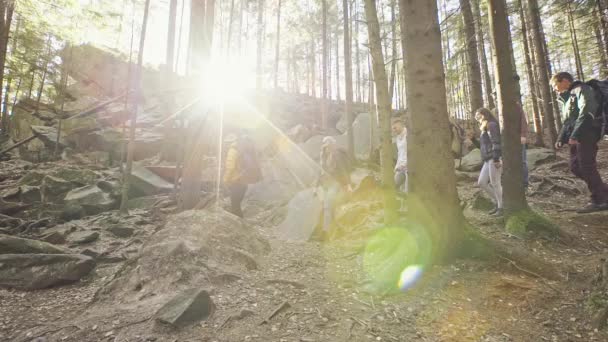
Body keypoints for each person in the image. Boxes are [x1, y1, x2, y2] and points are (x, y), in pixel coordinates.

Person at [552, 72, 608, 213]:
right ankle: (603, 192)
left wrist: (577, 134)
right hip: (575, 136)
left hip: (587, 132)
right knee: (575, 167)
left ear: (564, 81)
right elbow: (568, 122)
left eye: (555, 85)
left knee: (586, 165)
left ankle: (599, 200)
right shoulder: (567, 98)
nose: (554, 89)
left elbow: (587, 112)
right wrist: (560, 138)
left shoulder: (582, 89)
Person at [314, 136, 352, 234]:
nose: (327, 147)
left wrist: (347, 184)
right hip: (325, 184)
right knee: (330, 207)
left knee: (327, 205)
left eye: (329, 145)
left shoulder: (337, 155)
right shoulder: (323, 156)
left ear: (332, 145)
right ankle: (338, 229)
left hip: (336, 183)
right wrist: (316, 186)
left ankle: (326, 231)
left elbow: (342, 169)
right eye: (325, 146)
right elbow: (320, 172)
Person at [223, 133, 261, 218]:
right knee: (237, 205)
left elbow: (230, 167)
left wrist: (225, 180)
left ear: (228, 142)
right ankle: (241, 224)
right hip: (244, 181)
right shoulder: (243, 150)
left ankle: (239, 226)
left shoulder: (232, 150)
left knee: (235, 205)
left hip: (236, 182)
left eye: (225, 143)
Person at [475, 107, 503, 216]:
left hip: (494, 157)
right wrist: (473, 139)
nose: (476, 117)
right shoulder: (484, 127)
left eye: (478, 115)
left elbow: (496, 142)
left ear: (484, 114)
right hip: (487, 159)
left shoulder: (491, 125)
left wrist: (496, 158)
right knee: (482, 182)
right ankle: (499, 201)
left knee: (495, 183)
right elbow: (483, 146)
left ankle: (501, 207)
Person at [391, 119, 408, 193]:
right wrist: (396, 166)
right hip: (400, 167)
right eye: (393, 129)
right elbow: (400, 154)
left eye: (395, 128)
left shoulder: (409, 134)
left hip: (409, 167)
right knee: (395, 185)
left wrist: (405, 165)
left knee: (407, 190)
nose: (394, 130)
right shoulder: (397, 138)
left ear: (401, 125)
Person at [517, 101, 530, 189]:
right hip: (506, 140)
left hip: (518, 138)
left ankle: (525, 183)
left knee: (522, 161)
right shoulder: (496, 110)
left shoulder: (516, 106)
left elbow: (523, 121)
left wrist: (523, 135)